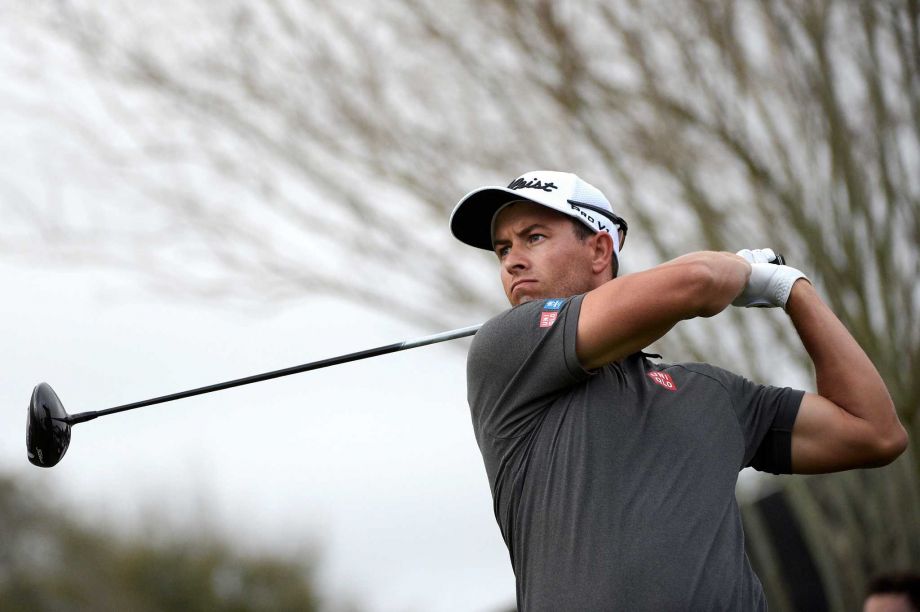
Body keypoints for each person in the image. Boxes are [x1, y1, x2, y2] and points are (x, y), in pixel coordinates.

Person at [449, 170, 908, 611]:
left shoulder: (710, 393)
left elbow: (874, 432)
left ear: (599, 250)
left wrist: (795, 292)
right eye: (502, 248)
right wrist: (744, 269)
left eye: (534, 237)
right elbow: (697, 282)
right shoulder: (506, 349)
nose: (512, 260)